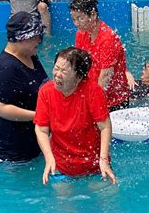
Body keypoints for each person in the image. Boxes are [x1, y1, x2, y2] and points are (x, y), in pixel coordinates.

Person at [34, 47, 117, 185]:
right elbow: (41, 129)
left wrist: (103, 160)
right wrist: (49, 158)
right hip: (60, 165)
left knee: (105, 200)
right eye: (56, 68)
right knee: (63, 204)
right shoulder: (45, 92)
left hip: (95, 165)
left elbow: (105, 127)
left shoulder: (93, 91)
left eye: (64, 71)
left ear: (79, 77)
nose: (57, 75)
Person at [0, 11, 47, 163]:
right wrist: (39, 116)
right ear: (20, 39)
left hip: (29, 138)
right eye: (35, 37)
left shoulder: (30, 54)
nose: (39, 40)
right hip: (11, 148)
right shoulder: (7, 68)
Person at [70, 0, 133, 111]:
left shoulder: (108, 39)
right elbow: (78, 64)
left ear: (93, 14)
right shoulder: (81, 34)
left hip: (114, 101)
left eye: (80, 18)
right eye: (73, 19)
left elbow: (105, 77)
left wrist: (93, 104)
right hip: (91, 94)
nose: (76, 24)